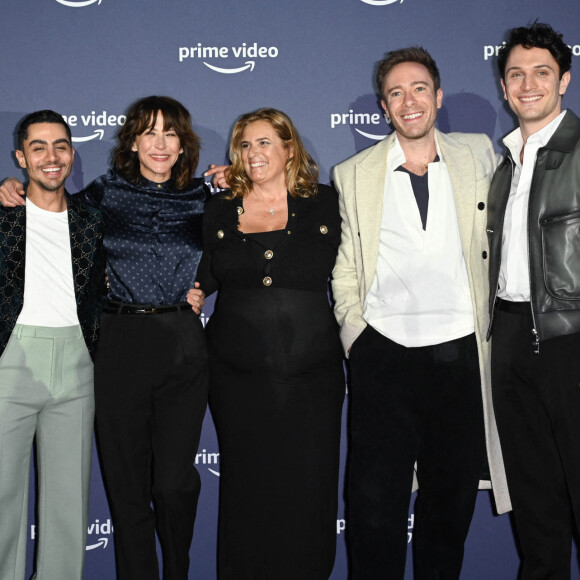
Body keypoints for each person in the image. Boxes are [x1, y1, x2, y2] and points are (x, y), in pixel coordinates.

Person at [0, 96, 209, 580]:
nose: (51, 157)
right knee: (15, 492)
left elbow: (233, 246)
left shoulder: (198, 196)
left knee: (83, 497)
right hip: (70, 349)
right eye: (38, 147)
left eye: (170, 133)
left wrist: (203, 288)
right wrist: (8, 190)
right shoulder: (91, 197)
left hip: (124, 351)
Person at [331, 47, 511, 579]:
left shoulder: (478, 153)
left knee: (448, 504)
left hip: (460, 352)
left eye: (418, 89)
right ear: (385, 107)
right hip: (382, 353)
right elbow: (346, 266)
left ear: (437, 95)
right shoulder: (354, 173)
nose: (408, 101)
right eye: (395, 93)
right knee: (371, 507)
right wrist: (356, 336)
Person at [197, 107, 345, 579]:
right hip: (237, 378)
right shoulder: (219, 208)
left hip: (312, 377)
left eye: (264, 142)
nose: (253, 153)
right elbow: (199, 273)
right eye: (244, 145)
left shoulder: (327, 201)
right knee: (248, 489)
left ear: (288, 148)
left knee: (309, 487)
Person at [487, 22, 580, 579]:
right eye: (516, 74)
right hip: (513, 336)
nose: (528, 85)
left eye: (541, 72)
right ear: (503, 87)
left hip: (572, 339)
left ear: (564, 81)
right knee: (536, 503)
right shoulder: (504, 165)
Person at [0, 110, 106, 580]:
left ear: (72, 153)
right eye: (38, 147)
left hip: (78, 363)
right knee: (2, 499)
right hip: (12, 361)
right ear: (21, 157)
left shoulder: (92, 218)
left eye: (60, 145)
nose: (51, 156)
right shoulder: (2, 214)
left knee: (67, 505)